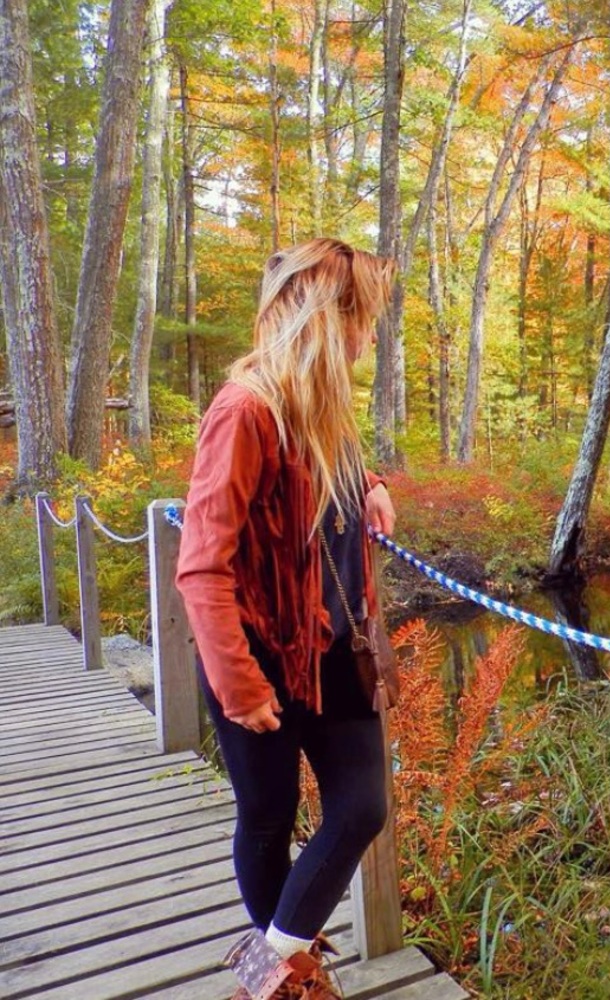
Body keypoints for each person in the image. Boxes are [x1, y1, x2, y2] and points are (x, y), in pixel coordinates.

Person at [175, 237, 398, 1000]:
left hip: (336, 653)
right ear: (328, 320)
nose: (371, 338)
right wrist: (239, 685)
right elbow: (201, 566)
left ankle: (265, 976)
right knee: (269, 817)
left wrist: (370, 481)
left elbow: (324, 470)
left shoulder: (323, 406)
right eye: (364, 320)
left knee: (361, 809)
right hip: (258, 658)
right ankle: (290, 980)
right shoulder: (244, 411)